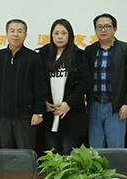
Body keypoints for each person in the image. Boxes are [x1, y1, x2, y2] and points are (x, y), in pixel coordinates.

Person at [85, 13, 127, 148]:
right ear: (95, 30)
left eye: (107, 26)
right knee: (95, 149)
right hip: (94, 106)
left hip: (116, 107)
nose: (103, 30)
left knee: (116, 149)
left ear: (115, 29)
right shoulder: (89, 51)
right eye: (99, 27)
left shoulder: (126, 50)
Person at [38, 19, 90, 155]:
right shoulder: (43, 54)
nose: (59, 37)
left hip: (71, 113)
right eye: (56, 33)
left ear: (70, 35)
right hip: (49, 113)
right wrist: (43, 102)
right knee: (52, 154)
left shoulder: (78, 56)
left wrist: (68, 104)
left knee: (69, 153)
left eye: (63, 33)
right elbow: (37, 82)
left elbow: (84, 83)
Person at [0, 19, 46, 150]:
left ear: (25, 35)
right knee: (5, 154)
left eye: (19, 31)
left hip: (25, 117)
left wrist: (39, 112)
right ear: (6, 34)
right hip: (2, 117)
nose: (15, 34)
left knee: (26, 153)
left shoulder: (34, 58)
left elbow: (40, 86)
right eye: (12, 31)